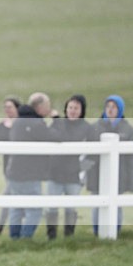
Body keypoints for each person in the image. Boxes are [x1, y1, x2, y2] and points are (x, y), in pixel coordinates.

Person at [85, 95, 133, 235]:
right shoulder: (94, 128)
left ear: (120, 109)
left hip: (119, 175)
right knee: (97, 205)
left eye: (114, 107)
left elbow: (132, 159)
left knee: (116, 206)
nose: (110, 110)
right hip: (97, 174)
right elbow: (88, 155)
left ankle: (115, 231)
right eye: (108, 106)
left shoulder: (128, 130)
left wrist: (132, 182)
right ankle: (97, 232)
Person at [5, 92, 55, 239]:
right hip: (30, 174)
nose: (49, 109)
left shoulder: (18, 121)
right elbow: (54, 137)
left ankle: (14, 237)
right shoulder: (36, 123)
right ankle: (26, 237)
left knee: (17, 207)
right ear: (39, 107)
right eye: (47, 106)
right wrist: (57, 120)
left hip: (14, 172)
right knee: (34, 208)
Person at [46, 95, 90, 238]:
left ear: (82, 110)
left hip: (74, 174)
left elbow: (71, 139)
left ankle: (69, 237)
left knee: (71, 207)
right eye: (70, 107)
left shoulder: (86, 128)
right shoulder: (58, 123)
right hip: (55, 173)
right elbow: (53, 137)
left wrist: (83, 169)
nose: (72, 111)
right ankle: (51, 237)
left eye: (76, 108)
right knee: (52, 207)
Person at [0, 96, 21, 234]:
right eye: (5, 107)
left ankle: (0, 227)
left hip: (21, 167)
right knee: (13, 195)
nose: (7, 109)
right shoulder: (1, 126)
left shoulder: (21, 125)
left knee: (8, 196)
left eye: (10, 107)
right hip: (8, 167)